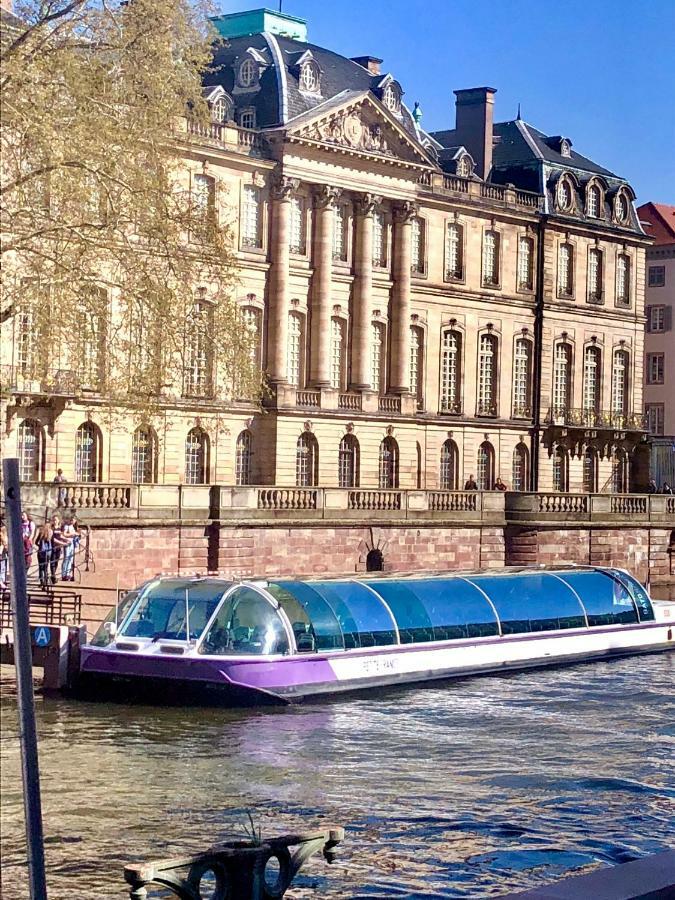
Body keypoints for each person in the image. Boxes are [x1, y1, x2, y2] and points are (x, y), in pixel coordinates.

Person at [50, 515, 71, 585]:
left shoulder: (60, 528)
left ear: (58, 520)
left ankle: (53, 575)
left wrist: (66, 539)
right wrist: (63, 543)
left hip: (59, 547)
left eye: (56, 520)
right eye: (54, 520)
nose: (55, 521)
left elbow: (61, 536)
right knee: (52, 562)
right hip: (53, 547)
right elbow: (53, 539)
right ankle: (53, 576)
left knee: (56, 562)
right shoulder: (51, 528)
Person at [35, 523, 53, 590]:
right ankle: (45, 582)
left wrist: (40, 546)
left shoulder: (41, 532)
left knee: (40, 567)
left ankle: (41, 582)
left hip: (41, 552)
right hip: (48, 552)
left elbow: (36, 542)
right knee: (46, 568)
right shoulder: (51, 532)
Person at [61, 517, 80, 581]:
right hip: (67, 542)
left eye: (74, 520)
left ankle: (68, 573)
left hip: (72, 543)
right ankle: (63, 574)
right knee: (66, 558)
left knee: (70, 559)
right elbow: (64, 534)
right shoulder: (67, 526)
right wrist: (73, 534)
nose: (73, 521)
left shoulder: (73, 527)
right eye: (72, 520)